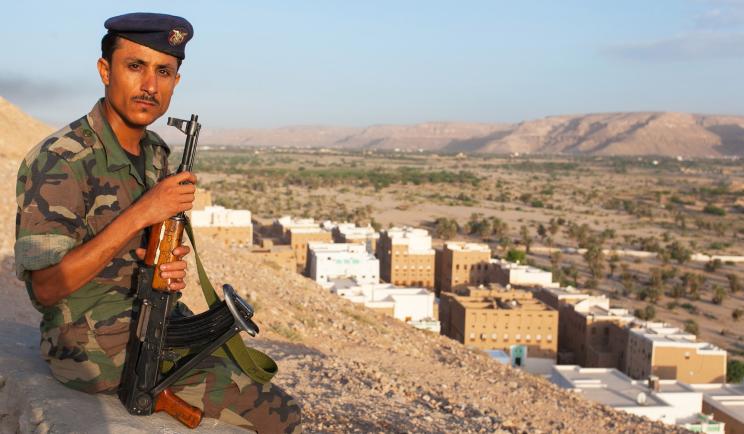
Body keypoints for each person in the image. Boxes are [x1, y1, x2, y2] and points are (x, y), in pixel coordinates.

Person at [14, 12, 301, 433]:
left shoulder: (156, 153)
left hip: (153, 318)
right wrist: (143, 213)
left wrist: (161, 261)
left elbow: (138, 251)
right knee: (280, 415)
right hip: (91, 342)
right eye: (135, 67)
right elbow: (46, 287)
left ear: (176, 82)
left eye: (163, 71)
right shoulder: (61, 159)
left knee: (255, 370)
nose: (150, 85)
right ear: (105, 71)